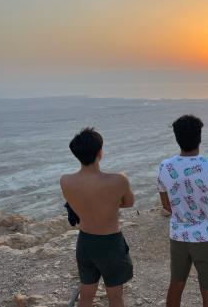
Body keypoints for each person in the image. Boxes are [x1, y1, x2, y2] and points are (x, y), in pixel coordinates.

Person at [157, 115, 208, 307]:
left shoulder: (165, 167)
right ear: (200, 137)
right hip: (206, 238)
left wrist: (183, 216)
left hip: (178, 236)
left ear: (176, 138)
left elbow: (166, 205)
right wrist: (207, 222)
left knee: (176, 284)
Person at [60, 128, 134, 307]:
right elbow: (129, 202)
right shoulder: (118, 180)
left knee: (86, 295)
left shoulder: (65, 181)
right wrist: (108, 203)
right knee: (115, 297)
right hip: (110, 244)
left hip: (85, 242)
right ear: (100, 152)